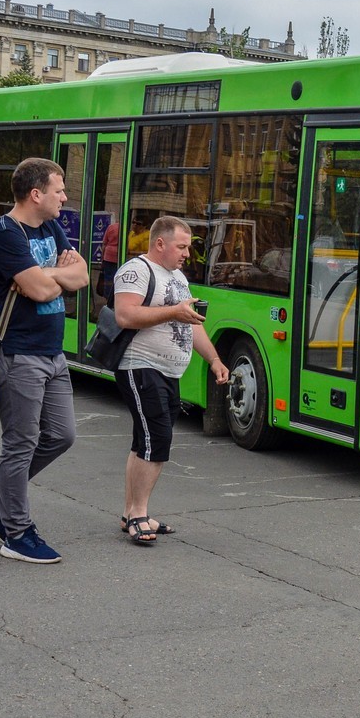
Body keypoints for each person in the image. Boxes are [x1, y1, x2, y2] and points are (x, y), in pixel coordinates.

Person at [0, 158, 89, 563]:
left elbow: (83, 276)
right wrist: (54, 277)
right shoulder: (4, 234)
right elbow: (38, 291)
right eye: (59, 189)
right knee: (20, 445)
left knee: (61, 436)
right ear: (36, 194)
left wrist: (45, 276)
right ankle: (16, 533)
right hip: (18, 355)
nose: (65, 197)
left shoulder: (51, 227)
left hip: (53, 354)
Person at [111, 215, 230, 544]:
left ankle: (132, 512)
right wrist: (174, 311)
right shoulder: (137, 270)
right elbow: (126, 314)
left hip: (168, 370)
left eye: (188, 247)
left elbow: (193, 324)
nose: (187, 254)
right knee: (157, 440)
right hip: (140, 365)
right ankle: (138, 515)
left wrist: (215, 360)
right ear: (160, 243)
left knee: (144, 440)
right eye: (182, 246)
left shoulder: (177, 276)